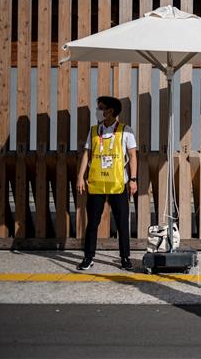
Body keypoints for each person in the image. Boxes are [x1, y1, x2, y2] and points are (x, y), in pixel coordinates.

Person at [76, 96, 138, 271]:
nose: (98, 110)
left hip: (118, 183)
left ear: (110, 111)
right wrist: (80, 176)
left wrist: (133, 180)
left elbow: (133, 156)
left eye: (101, 108)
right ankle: (88, 257)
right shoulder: (94, 131)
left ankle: (125, 257)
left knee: (122, 222)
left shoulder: (126, 131)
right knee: (93, 222)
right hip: (97, 183)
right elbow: (87, 154)